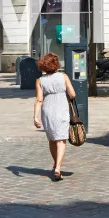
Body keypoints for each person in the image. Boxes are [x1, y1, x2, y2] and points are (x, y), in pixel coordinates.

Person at [34, 52, 76, 181]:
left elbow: (39, 100)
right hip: (61, 109)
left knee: (52, 139)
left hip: (48, 111)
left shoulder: (40, 80)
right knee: (61, 140)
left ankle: (55, 164)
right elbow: (73, 94)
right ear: (56, 64)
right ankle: (58, 167)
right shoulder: (63, 77)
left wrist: (35, 117)